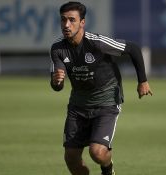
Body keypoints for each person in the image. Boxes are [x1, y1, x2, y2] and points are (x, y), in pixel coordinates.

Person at [49, 2, 153, 175]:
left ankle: (108, 169)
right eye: (63, 20)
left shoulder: (96, 42)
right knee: (71, 157)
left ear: (82, 22)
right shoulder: (57, 48)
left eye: (72, 20)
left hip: (106, 102)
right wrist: (57, 81)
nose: (66, 25)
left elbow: (133, 49)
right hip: (78, 106)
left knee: (97, 153)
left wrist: (142, 81)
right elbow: (56, 86)